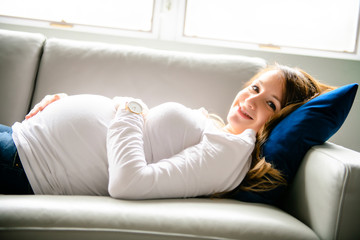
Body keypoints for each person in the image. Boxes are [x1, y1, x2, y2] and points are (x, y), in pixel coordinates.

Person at [0, 64, 333, 199]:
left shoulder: (229, 153)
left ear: (280, 119)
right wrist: (65, 102)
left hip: (27, 164)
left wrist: (130, 106)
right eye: (255, 88)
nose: (251, 100)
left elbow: (128, 182)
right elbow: (133, 124)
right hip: (25, 139)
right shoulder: (219, 132)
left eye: (271, 104)